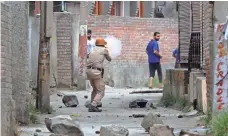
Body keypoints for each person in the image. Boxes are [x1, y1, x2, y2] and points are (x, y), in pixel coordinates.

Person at [86, 37, 112, 112]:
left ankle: (92, 103)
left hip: (89, 71)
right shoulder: (104, 50)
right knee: (101, 90)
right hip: (96, 72)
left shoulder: (92, 50)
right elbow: (109, 59)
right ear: (103, 44)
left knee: (95, 89)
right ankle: (93, 105)